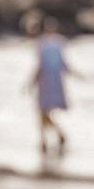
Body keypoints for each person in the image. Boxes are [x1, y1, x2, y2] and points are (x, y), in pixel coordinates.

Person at [23, 12, 74, 157]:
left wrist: (30, 83)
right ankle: (54, 136)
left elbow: (40, 66)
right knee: (44, 112)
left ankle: (48, 139)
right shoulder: (58, 42)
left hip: (46, 82)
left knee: (41, 112)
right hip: (55, 82)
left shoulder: (42, 44)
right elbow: (63, 64)